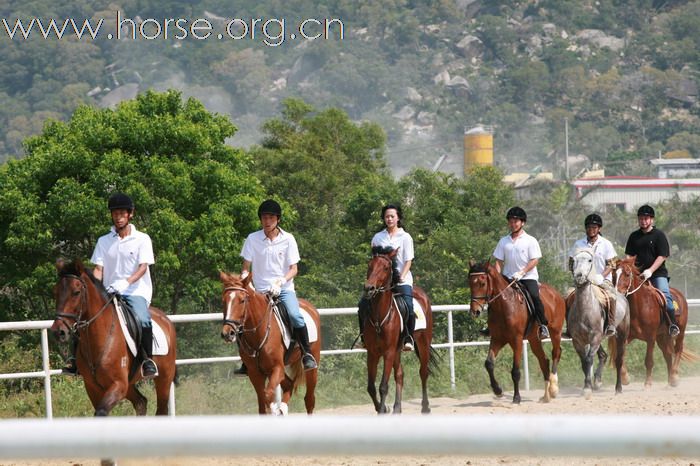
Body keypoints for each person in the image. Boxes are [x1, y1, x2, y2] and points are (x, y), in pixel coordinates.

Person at [64, 193, 158, 378]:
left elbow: (143, 267)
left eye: (122, 213)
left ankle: (148, 359)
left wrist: (126, 282)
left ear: (130, 214)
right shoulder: (104, 241)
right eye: (115, 213)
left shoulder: (142, 239)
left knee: (142, 318)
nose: (118, 217)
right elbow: (99, 268)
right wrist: (94, 286)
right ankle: (74, 360)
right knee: (81, 318)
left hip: (135, 290)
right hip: (109, 292)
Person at [237, 199, 317, 374]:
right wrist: (245, 280)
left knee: (295, 316)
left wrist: (280, 281)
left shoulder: (288, 239)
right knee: (241, 321)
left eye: (271, 217)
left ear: (277, 219)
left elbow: (294, 269)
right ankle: (245, 360)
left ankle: (306, 353)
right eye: (264, 217)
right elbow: (245, 267)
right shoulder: (252, 238)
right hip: (259, 291)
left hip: (283, 289)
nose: (267, 221)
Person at [357, 204, 416, 351]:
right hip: (380, 282)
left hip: (402, 279)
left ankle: (408, 337)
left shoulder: (406, 237)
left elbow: (408, 260)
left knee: (408, 305)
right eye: (386, 216)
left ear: (398, 218)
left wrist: (402, 276)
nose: (389, 219)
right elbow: (374, 262)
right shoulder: (378, 237)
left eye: (392, 216)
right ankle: (364, 337)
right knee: (362, 305)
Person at [492, 206, 549, 339]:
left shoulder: (530, 240)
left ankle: (543, 325)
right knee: (493, 297)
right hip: (507, 278)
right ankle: (491, 325)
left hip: (527, 277)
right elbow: (499, 262)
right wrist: (497, 278)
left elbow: (535, 260)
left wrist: (522, 272)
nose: (513, 224)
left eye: (516, 221)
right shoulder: (503, 241)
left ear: (522, 222)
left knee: (535, 296)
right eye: (511, 222)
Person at [625, 204, 679, 337]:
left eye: (646, 218)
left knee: (665, 297)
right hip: (638, 277)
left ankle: (672, 325)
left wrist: (650, 270)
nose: (643, 221)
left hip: (657, 275)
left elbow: (663, 256)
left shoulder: (659, 235)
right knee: (623, 296)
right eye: (641, 218)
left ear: (652, 220)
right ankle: (619, 327)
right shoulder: (634, 236)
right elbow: (629, 256)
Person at [566, 213, 618, 336]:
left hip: (602, 279)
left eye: (594, 227)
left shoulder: (606, 244)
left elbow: (612, 264)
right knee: (567, 297)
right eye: (589, 227)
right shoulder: (579, 244)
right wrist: (577, 275)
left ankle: (610, 323)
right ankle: (569, 327)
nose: (591, 230)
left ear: (599, 229)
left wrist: (602, 276)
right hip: (583, 280)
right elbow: (571, 262)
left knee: (611, 296)